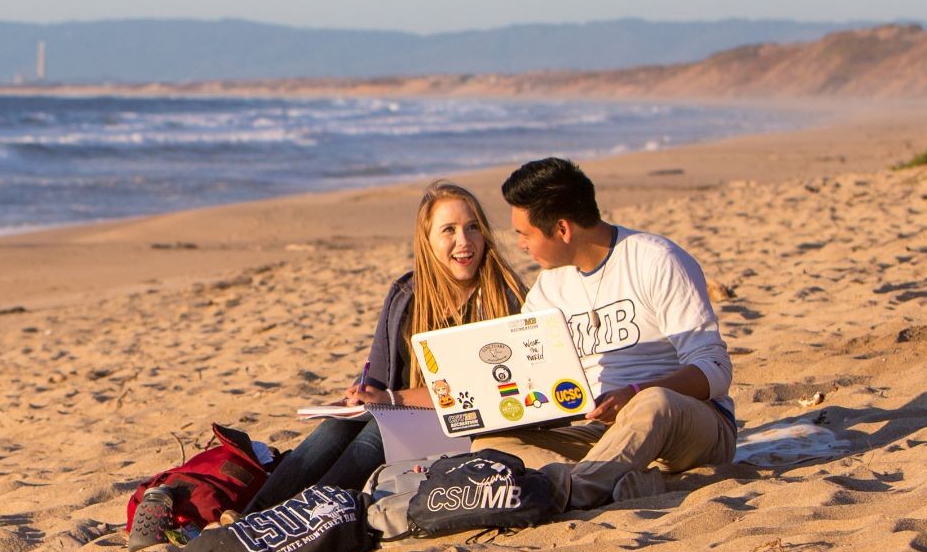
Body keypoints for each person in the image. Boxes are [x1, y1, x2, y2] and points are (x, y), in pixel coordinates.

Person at [240, 181, 526, 514]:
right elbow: (377, 374)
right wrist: (362, 394)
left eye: (472, 227)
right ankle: (251, 513)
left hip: (465, 427)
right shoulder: (408, 293)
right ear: (427, 241)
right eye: (449, 230)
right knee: (339, 423)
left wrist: (391, 399)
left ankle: (304, 515)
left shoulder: (500, 296)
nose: (464, 242)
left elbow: (480, 391)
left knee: (376, 428)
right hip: (403, 418)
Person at [472, 157, 736, 511]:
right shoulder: (550, 288)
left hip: (688, 425)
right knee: (491, 444)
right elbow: (528, 372)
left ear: (562, 229)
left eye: (525, 234)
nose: (520, 244)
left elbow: (716, 368)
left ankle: (569, 491)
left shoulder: (656, 260)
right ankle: (615, 485)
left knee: (654, 402)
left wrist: (635, 392)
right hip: (605, 436)